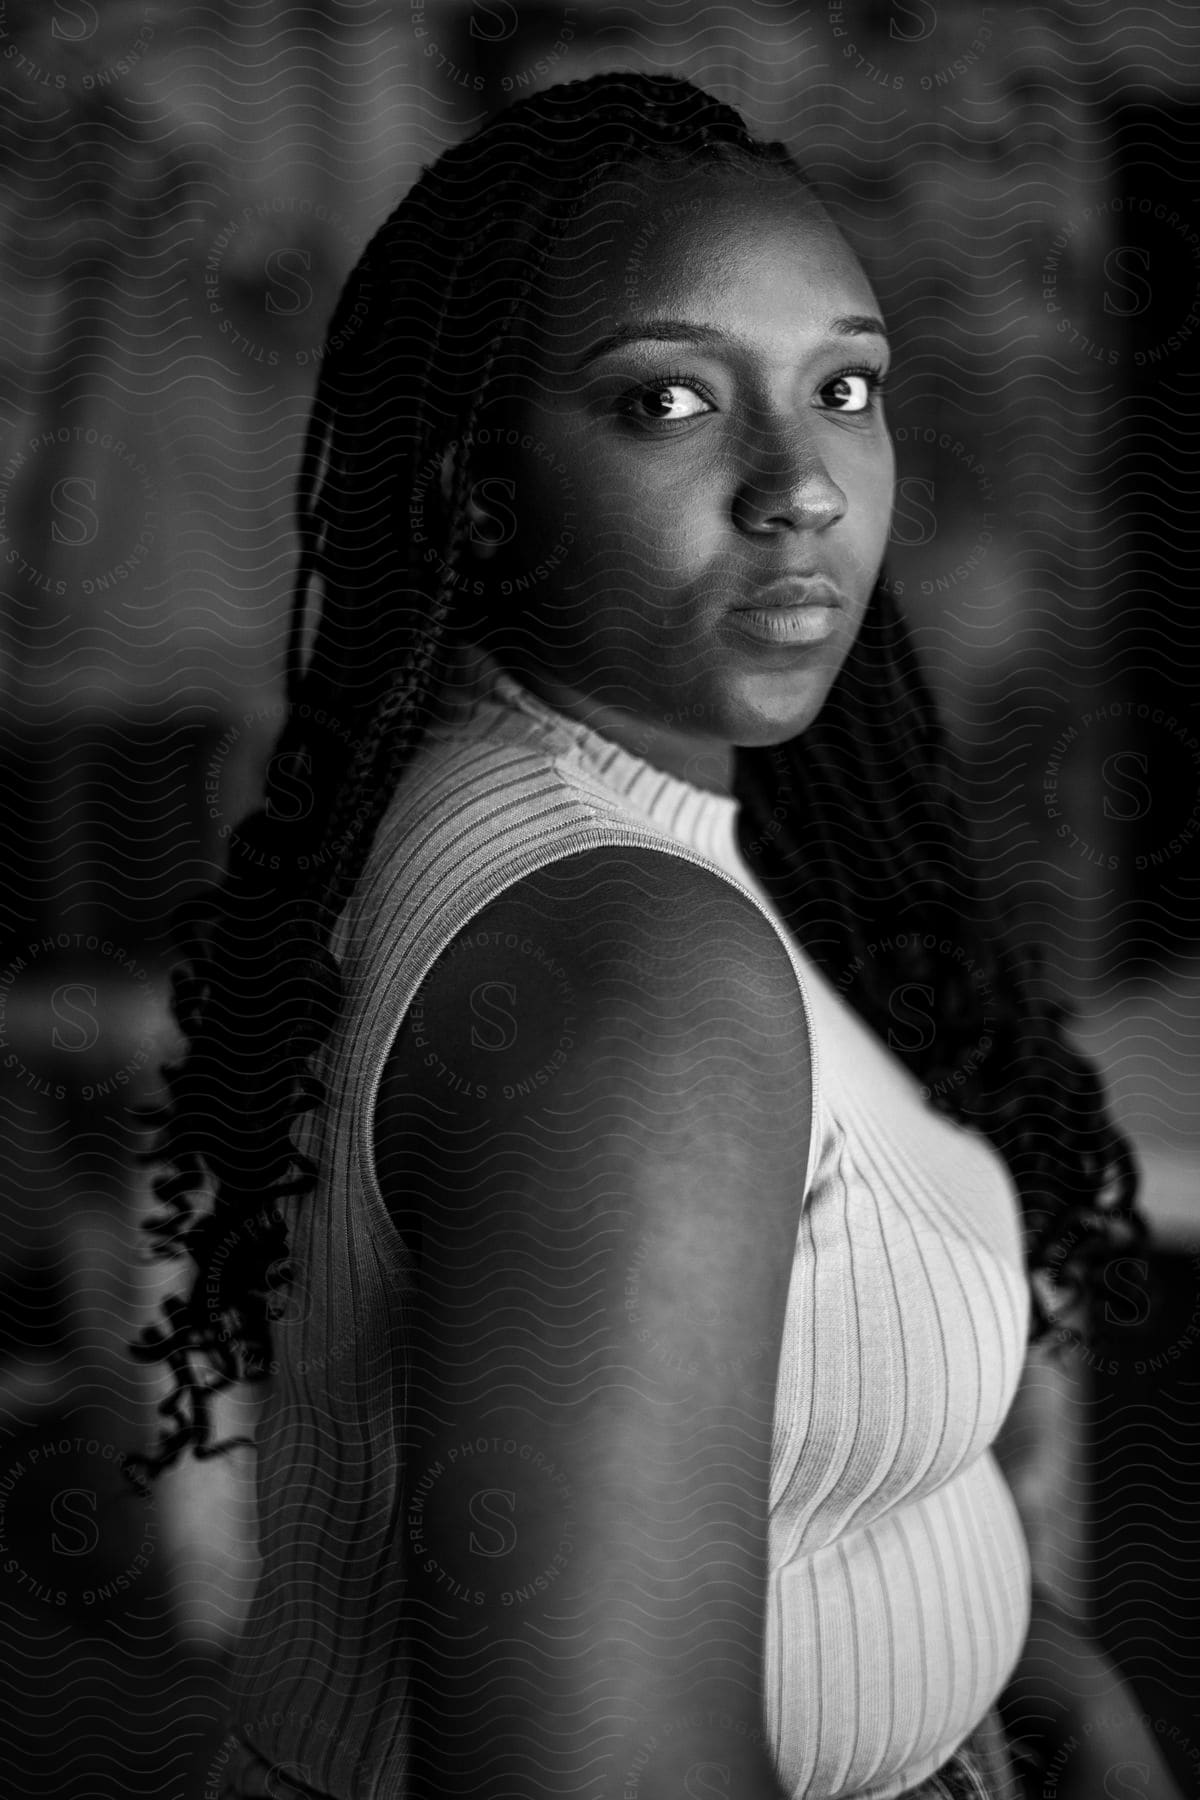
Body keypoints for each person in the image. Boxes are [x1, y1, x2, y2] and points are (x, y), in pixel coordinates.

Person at [124, 72, 1183, 1800]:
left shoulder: (572, 811)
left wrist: (1029, 1670)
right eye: (670, 399)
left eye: (845, 386)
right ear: (477, 490)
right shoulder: (630, 966)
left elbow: (769, 1456)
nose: (802, 487)